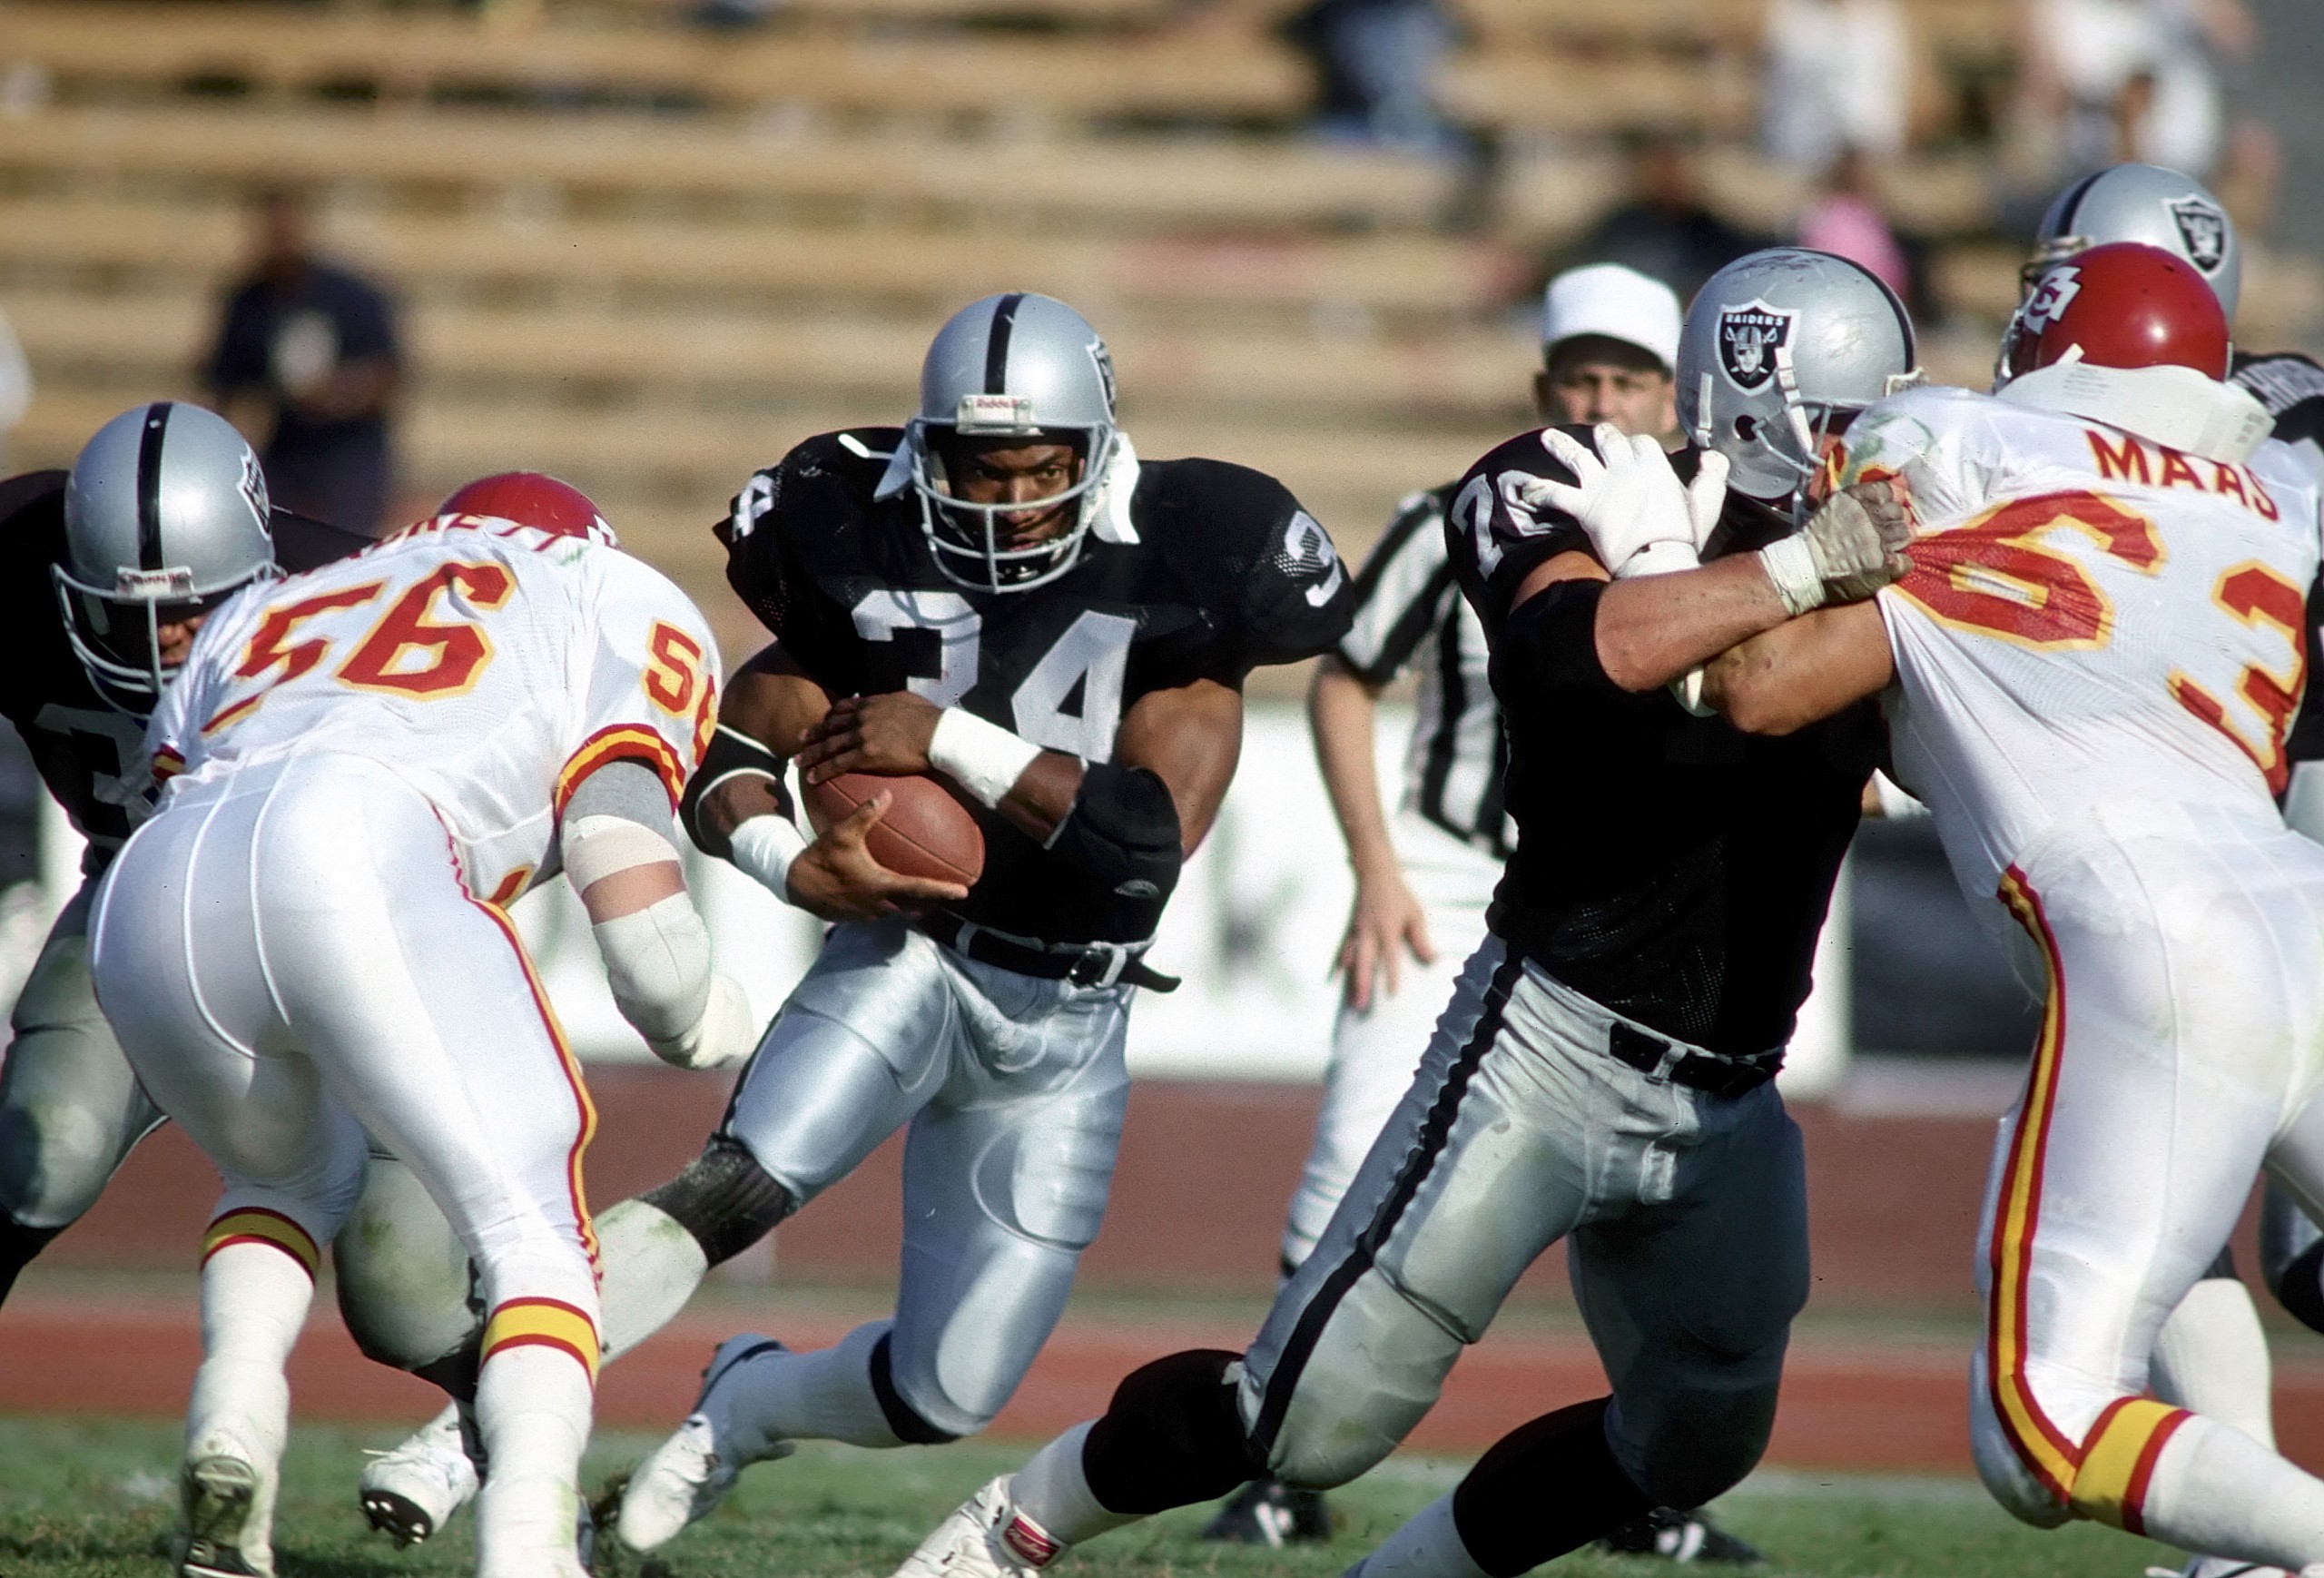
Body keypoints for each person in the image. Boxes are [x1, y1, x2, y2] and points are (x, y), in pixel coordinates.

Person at [881, 249, 1917, 1578]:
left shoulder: (1898, 550)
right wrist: (1789, 574)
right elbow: (1577, 655)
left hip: (1733, 1087)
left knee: (1696, 1441)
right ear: (1766, 399)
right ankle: (1018, 1521)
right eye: (1853, 414)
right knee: (1305, 1417)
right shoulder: (1566, 478)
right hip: (1550, 1047)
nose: (1874, 448)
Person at [350, 291, 1358, 1556]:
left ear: (1098, 455)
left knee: (948, 1389)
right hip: (915, 953)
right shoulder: (857, 531)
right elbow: (716, 733)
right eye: (979, 470)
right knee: (735, 1186)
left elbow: (1141, 848)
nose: (1006, 502)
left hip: (1070, 1011)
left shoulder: (1193, 557)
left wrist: (942, 735)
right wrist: (783, 859)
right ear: (929, 453)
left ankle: (753, 1396)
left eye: (1041, 469)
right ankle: (472, 1427)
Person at [1649, 242, 2324, 1573]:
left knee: (2044, 1425)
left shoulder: (1959, 444)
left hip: (2163, 940)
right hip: (2303, 909)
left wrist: (1668, 564)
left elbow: (1765, 684)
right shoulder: (2272, 501)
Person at [89, 470, 753, 1578]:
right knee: (532, 1232)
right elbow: (623, 875)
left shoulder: (279, 598)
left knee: (283, 1179)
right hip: (360, 837)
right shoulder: (602, 590)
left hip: (156, 881)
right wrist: (695, 1012)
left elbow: (166, 785)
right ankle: (530, 1548)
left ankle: (232, 1429)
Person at [1197, 263, 1748, 1565]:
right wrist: (1377, 865)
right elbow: (1348, 679)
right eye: (1582, 378)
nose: (1604, 399)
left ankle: (1659, 1481)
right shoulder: (1477, 509)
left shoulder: (1716, 522)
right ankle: (1276, 1464)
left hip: (1622, 900)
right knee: (1354, 1145)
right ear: (1544, 387)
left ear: (1670, 390)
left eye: (1628, 378)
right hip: (1452, 876)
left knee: (1651, 1194)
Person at [2021, 160, 2324, 1578]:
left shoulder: (2055, 431)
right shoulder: (2291, 412)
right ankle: (2249, 1525)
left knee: (2061, 1385)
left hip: (2220, 836)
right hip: (2254, 839)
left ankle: (2261, 1531)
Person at [0, 403, 369, 1315]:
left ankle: (491, 1434)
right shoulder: (10, 561)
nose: (168, 640)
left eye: (196, 611)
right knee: (37, 1154)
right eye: (129, 616)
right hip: (135, 889)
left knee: (409, 1287)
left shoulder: (357, 593)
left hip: (344, 923)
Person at [202, 186, 401, 533]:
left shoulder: (350, 295)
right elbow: (224, 388)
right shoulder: (248, 303)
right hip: (286, 447)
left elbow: (388, 375)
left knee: (345, 542)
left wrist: (336, 395)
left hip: (348, 449)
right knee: (259, 527)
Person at [1561, 131, 1771, 307]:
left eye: (1676, 166)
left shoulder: (1716, 234)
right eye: (1658, 166)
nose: (1669, 177)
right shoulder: (1616, 231)